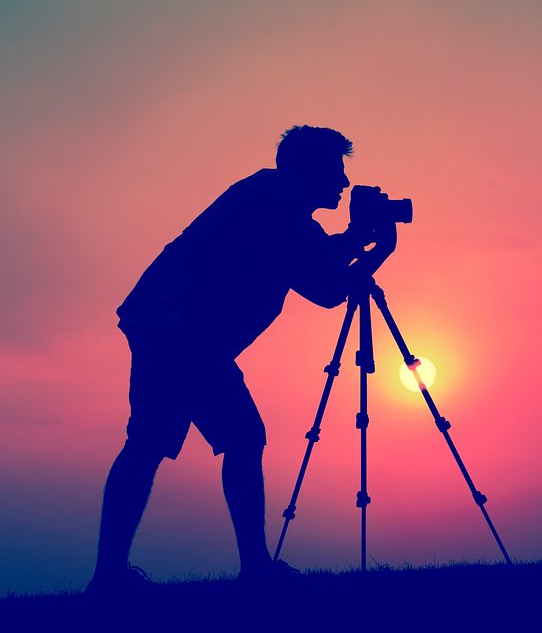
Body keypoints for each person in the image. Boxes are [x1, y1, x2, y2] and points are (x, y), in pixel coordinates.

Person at [87, 125, 394, 593]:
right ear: (307, 168)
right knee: (237, 436)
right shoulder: (275, 197)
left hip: (169, 323)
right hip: (183, 327)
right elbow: (326, 285)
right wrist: (376, 247)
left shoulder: (275, 202)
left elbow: (318, 274)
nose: (344, 182)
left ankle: (110, 578)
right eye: (336, 169)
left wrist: (357, 242)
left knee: (151, 443)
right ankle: (252, 569)